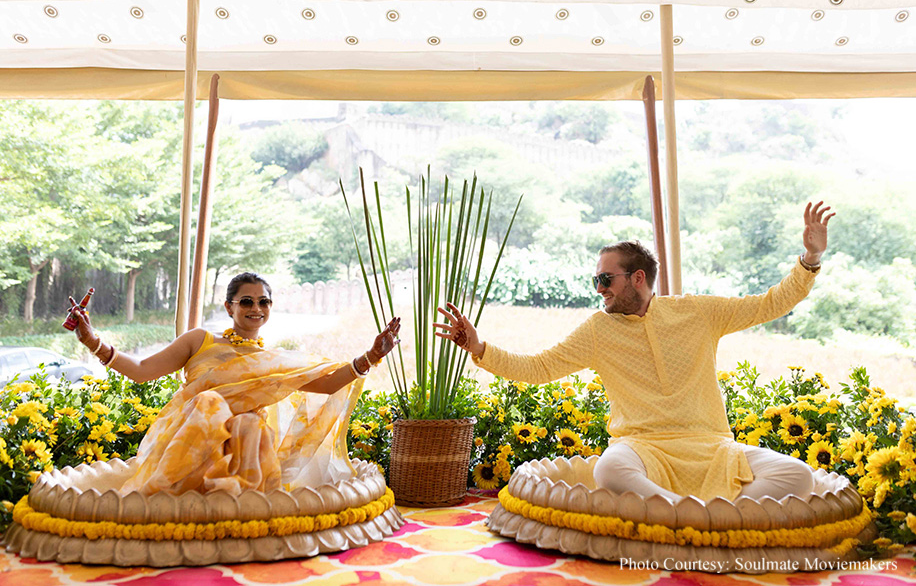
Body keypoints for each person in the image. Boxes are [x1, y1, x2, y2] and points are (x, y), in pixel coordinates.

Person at [435, 202, 835, 502]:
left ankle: (694, 515)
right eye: (597, 280)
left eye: (606, 278)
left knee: (796, 475)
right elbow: (539, 367)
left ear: (637, 277)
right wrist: (479, 347)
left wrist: (810, 259)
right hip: (643, 450)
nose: (599, 289)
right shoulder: (597, 329)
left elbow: (769, 303)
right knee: (610, 468)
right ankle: (705, 513)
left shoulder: (697, 312)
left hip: (712, 447)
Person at [70, 272, 400, 496]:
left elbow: (327, 384)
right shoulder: (200, 340)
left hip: (246, 446)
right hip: (192, 435)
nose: (256, 308)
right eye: (246, 301)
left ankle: (241, 501)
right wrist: (93, 341)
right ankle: (164, 495)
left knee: (249, 423)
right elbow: (142, 370)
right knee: (209, 402)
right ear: (229, 306)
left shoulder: (272, 361)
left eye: (263, 302)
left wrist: (372, 355)